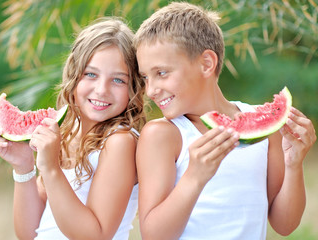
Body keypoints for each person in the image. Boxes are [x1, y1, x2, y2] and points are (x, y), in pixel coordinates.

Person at [134, 2, 317, 240]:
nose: (151, 91)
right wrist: (195, 176)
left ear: (206, 63)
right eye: (145, 77)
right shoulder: (163, 135)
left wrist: (294, 164)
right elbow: (153, 235)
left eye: (162, 73)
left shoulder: (266, 131)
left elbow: (285, 225)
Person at [0, 17, 145, 240]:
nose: (101, 90)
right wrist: (24, 166)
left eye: (118, 80)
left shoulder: (120, 141)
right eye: (90, 74)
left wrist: (52, 169)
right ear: (74, 74)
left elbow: (96, 235)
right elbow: (29, 233)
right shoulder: (67, 131)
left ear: (133, 88)